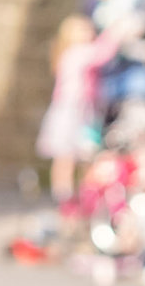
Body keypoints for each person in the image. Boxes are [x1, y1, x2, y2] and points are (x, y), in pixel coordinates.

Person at [36, 15, 117, 204]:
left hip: (80, 109)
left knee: (79, 155)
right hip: (72, 111)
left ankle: (77, 195)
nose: (89, 33)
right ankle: (65, 195)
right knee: (68, 155)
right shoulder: (77, 53)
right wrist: (114, 32)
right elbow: (102, 54)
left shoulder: (69, 53)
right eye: (83, 29)